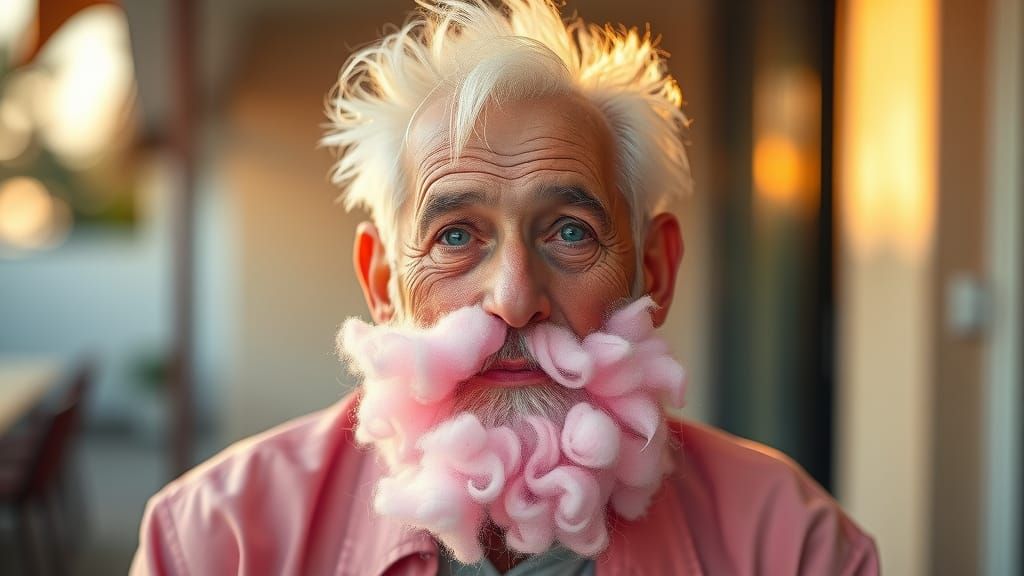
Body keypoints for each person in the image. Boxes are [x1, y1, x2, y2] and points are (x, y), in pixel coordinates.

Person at [131, 1, 879, 574]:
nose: (515, 299)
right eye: (456, 236)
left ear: (652, 272)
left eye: (570, 231)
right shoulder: (208, 543)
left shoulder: (793, 545)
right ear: (384, 284)